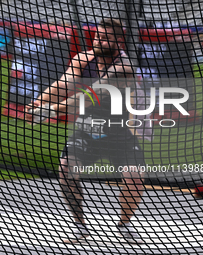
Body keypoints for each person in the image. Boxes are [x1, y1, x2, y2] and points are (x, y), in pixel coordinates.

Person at [25, 18, 145, 244]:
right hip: (87, 131)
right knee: (66, 169)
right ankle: (80, 226)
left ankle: (125, 225)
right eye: (98, 36)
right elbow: (64, 84)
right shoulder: (83, 58)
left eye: (106, 38)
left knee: (134, 176)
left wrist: (50, 111)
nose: (99, 41)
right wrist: (36, 105)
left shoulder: (124, 67)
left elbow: (91, 96)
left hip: (118, 133)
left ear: (119, 41)